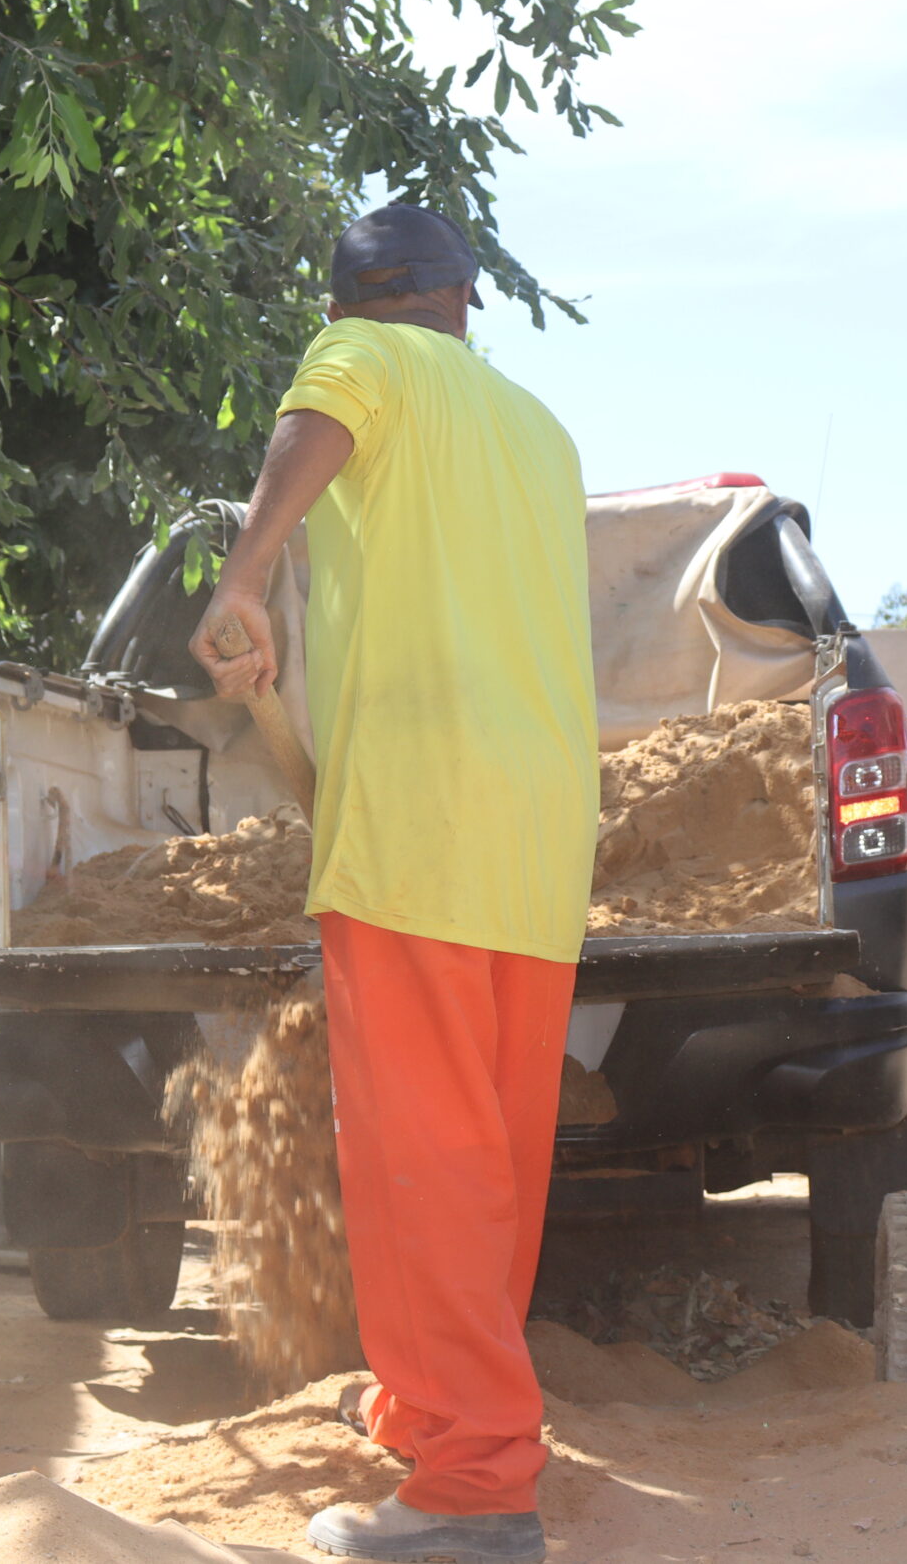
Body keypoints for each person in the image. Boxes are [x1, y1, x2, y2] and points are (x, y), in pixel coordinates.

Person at [190, 204, 598, 1564]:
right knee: (489, 1159)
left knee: (424, 1162)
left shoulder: (358, 359)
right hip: (536, 840)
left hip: (418, 823)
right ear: (465, 301)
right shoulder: (538, 430)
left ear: (355, 303)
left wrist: (245, 574)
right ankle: (433, 1408)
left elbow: (314, 429)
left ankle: (476, 1486)